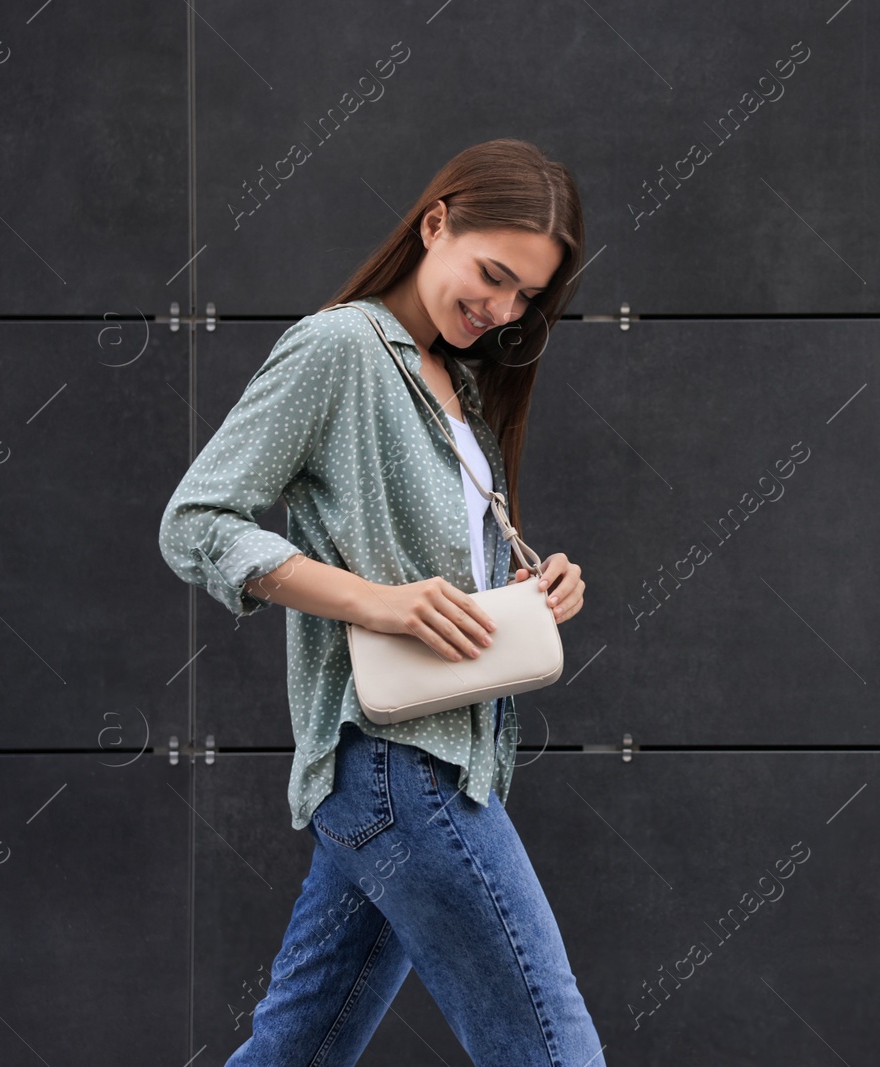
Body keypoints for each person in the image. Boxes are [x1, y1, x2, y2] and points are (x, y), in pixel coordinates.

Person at [158, 138, 605, 1065]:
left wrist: (528, 587)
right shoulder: (338, 349)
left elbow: (437, 573)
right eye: (492, 275)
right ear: (435, 222)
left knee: (296, 1050)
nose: (502, 309)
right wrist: (376, 603)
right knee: (553, 1051)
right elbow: (196, 520)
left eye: (526, 296)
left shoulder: (463, 387)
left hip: (416, 769)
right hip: (403, 762)